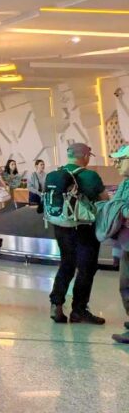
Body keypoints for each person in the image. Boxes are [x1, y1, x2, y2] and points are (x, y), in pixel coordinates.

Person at [48, 143, 109, 325]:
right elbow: (104, 199)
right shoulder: (90, 176)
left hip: (61, 225)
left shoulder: (55, 174)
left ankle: (56, 304)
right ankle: (79, 310)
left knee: (66, 263)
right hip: (84, 228)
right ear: (85, 156)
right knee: (86, 268)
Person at [104, 146, 129, 344]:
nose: (117, 163)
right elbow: (116, 209)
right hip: (125, 244)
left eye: (122, 159)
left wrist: (119, 207)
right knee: (125, 285)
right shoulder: (125, 183)